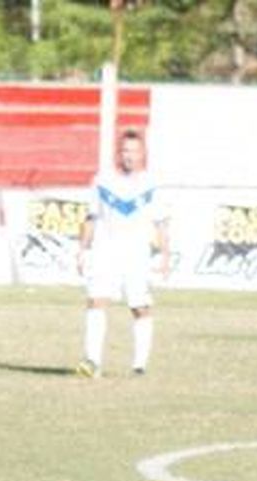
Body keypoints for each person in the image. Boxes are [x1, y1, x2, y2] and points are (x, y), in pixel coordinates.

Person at [75, 128, 169, 378]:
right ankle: (92, 361)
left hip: (137, 254)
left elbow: (160, 223)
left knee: (140, 307)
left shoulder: (151, 184)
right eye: (125, 150)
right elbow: (91, 217)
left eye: (134, 151)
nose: (129, 156)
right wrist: (82, 250)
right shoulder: (103, 181)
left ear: (143, 154)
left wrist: (163, 255)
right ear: (119, 153)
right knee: (96, 301)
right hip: (106, 251)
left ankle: (139, 365)